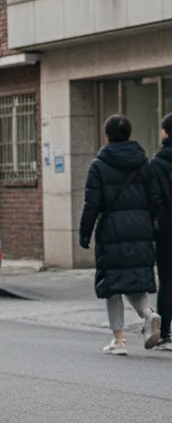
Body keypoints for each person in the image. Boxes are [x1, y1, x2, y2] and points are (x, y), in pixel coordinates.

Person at [79, 113, 162, 355]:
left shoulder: (99, 166)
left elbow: (91, 204)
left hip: (112, 229)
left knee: (112, 283)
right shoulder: (143, 164)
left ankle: (119, 340)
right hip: (140, 228)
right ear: (129, 134)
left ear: (106, 136)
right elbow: (155, 198)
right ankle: (149, 314)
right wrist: (149, 223)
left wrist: (84, 234)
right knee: (134, 277)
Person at [149, 111, 172, 351]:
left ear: (164, 133)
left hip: (166, 232)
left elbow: (153, 201)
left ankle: (165, 334)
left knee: (167, 283)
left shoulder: (155, 164)